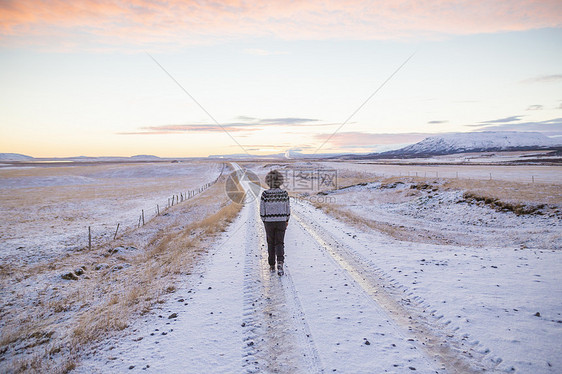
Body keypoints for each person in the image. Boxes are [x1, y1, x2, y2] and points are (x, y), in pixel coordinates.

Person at [260, 170, 290, 275]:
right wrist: (286, 219)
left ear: (268, 181)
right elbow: (287, 208)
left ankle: (272, 266)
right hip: (281, 221)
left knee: (270, 243)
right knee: (280, 243)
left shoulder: (265, 194)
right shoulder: (284, 194)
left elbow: (262, 209)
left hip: (268, 222)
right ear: (280, 181)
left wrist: (264, 220)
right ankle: (280, 263)